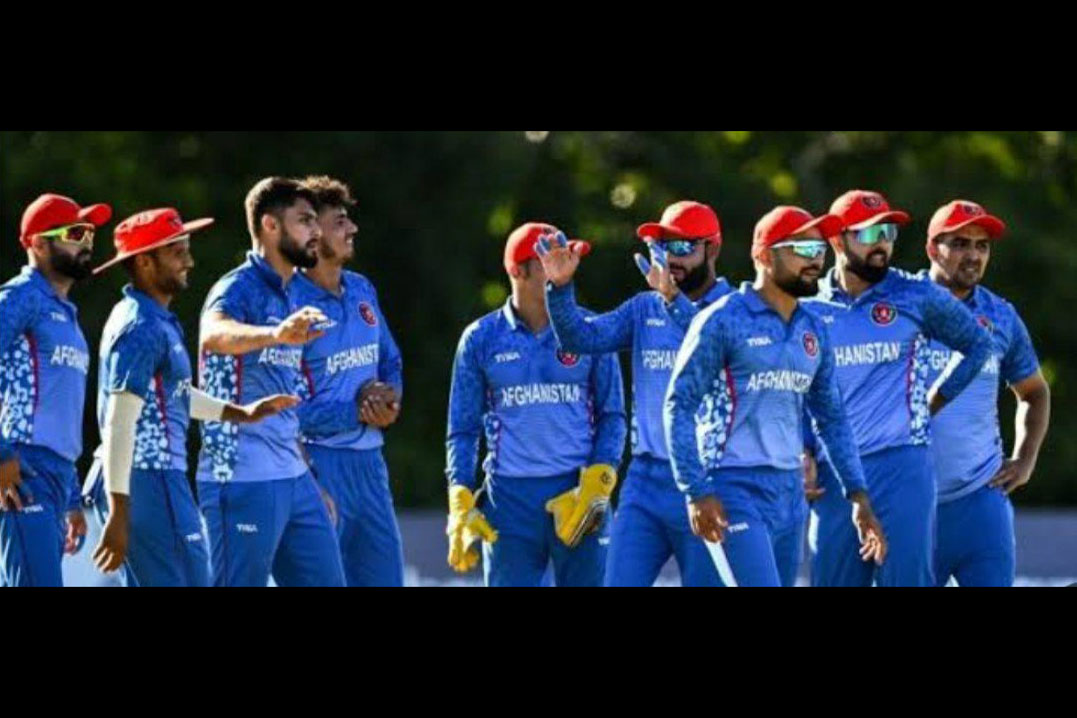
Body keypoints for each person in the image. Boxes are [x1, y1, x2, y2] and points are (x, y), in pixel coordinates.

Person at [664, 206, 887, 587]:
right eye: (801, 248)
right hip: (731, 487)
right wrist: (695, 490)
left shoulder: (813, 327)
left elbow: (831, 419)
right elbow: (678, 405)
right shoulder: (723, 319)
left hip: (790, 495)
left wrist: (858, 496)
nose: (815, 258)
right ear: (765, 255)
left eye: (818, 249)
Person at [88, 207, 298, 586]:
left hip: (152, 479)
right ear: (145, 262)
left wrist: (239, 413)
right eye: (177, 252)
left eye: (186, 248)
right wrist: (120, 508)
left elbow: (176, 394)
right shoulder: (141, 325)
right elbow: (120, 419)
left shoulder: (154, 319)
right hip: (146, 479)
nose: (189, 261)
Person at [538, 200, 733, 586]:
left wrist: (674, 302)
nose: (670, 259)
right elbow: (582, 338)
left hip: (708, 479)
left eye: (681, 248)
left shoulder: (735, 308)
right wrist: (560, 289)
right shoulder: (646, 307)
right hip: (645, 480)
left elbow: (717, 350)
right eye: (662, 247)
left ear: (712, 248)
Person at [804, 190, 993, 587]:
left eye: (888, 232)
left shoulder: (913, 294)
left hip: (902, 466)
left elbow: (977, 345)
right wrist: (802, 446)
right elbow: (793, 387)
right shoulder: (807, 307)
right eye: (870, 235)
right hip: (834, 471)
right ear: (837, 240)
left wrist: (934, 401)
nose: (883, 244)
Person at [444, 222, 626, 586]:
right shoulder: (481, 339)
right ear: (518, 270)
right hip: (509, 503)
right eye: (551, 260)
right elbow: (463, 429)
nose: (565, 267)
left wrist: (600, 479)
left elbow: (613, 415)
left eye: (568, 258)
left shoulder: (591, 327)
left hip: (579, 492)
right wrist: (460, 496)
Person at [196, 177, 346, 587]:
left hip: (293, 477)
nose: (316, 231)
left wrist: (309, 474)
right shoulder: (236, 287)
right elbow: (213, 333)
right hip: (240, 478)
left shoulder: (295, 293)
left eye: (317, 221)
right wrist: (275, 334)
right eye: (305, 220)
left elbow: (287, 396)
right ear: (270, 226)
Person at [923, 200, 1050, 586]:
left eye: (982, 246)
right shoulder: (900, 306)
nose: (973, 255)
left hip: (980, 501)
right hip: (909, 501)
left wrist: (1024, 460)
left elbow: (1034, 392)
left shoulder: (1000, 315)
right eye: (961, 243)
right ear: (933, 249)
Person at [291, 176, 406, 587]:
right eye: (340, 221)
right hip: (317, 468)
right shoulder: (288, 304)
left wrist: (389, 401)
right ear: (312, 231)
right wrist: (356, 411)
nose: (352, 229)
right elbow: (286, 411)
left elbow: (390, 360)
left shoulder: (361, 289)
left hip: (370, 466)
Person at [0, 193, 104, 586]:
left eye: (90, 233)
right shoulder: (21, 297)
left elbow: (61, 410)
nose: (87, 242)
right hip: (23, 467)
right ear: (38, 244)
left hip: (57, 475)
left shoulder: (66, 314)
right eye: (75, 232)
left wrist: (73, 496)